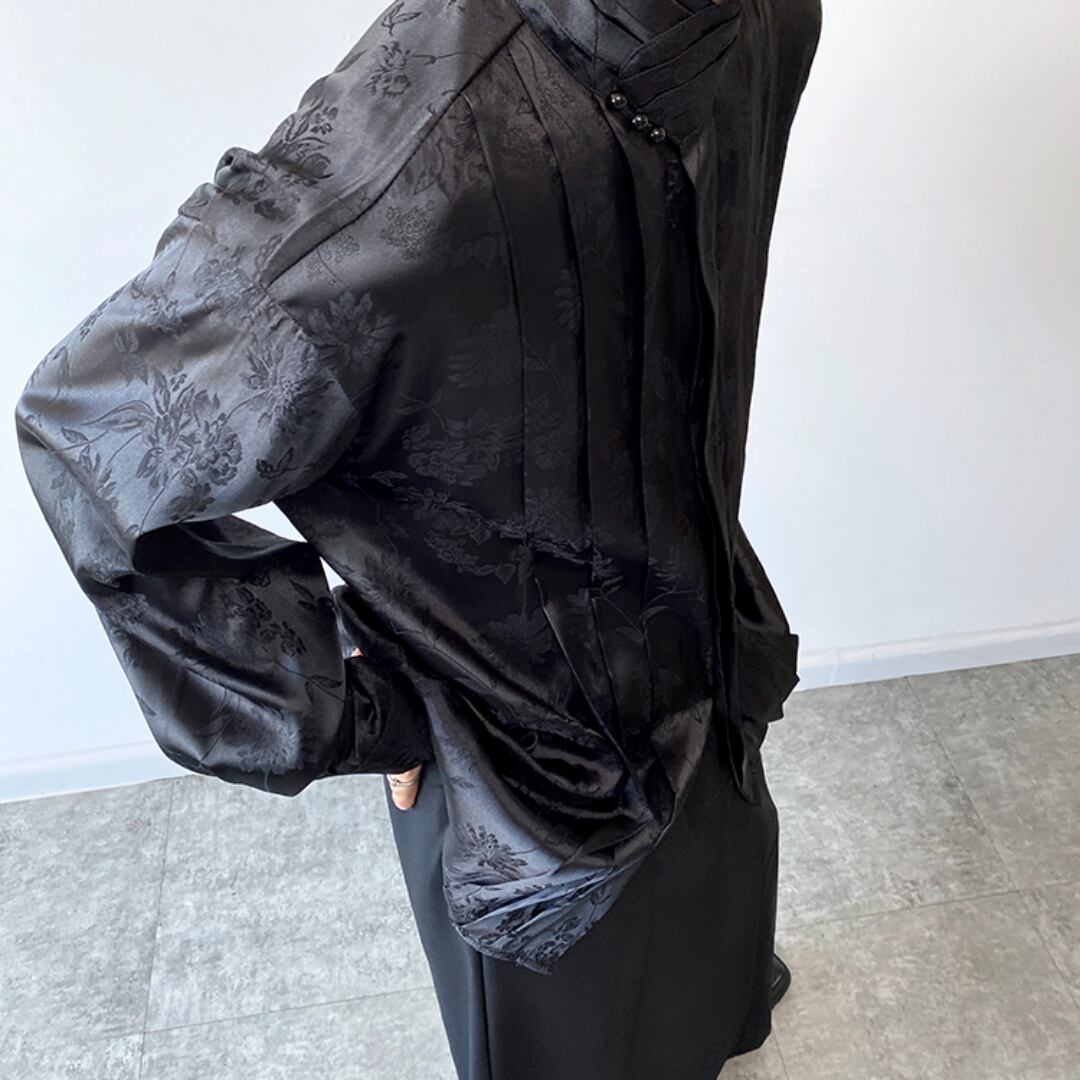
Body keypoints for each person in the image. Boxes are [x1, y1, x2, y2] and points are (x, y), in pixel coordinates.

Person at [14, 0, 821, 1074]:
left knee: (679, 956)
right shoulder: (418, 157)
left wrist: (364, 717)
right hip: (542, 749)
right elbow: (92, 436)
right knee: (588, 994)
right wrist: (362, 715)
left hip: (672, 658)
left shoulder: (752, 22)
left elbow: (91, 428)